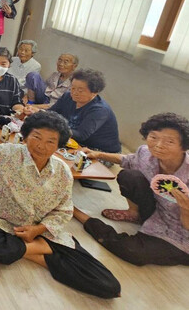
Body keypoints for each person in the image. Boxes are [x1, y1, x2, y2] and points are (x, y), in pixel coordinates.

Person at [0, 111, 121, 299]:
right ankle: (44, 250)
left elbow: (64, 210)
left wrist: (38, 230)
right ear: (26, 136)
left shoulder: (62, 171)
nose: (41, 146)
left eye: (50, 141)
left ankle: (34, 248)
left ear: (59, 144)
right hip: (0, 219)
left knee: (109, 285)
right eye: (36, 137)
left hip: (41, 228)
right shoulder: (8, 153)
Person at [73, 113, 189, 266]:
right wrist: (99, 154)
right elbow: (127, 160)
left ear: (184, 146)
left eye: (170, 141)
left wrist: (185, 208)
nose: (159, 145)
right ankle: (135, 214)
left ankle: (78, 213)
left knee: (133, 252)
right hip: (156, 210)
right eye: (153, 137)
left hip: (181, 232)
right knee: (129, 176)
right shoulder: (145, 153)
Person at [45, 69, 120, 153]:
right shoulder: (68, 96)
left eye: (80, 90)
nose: (74, 93)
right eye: (73, 88)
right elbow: (50, 113)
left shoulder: (100, 110)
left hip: (98, 150)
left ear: (94, 92)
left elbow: (81, 135)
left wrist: (55, 126)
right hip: (73, 141)